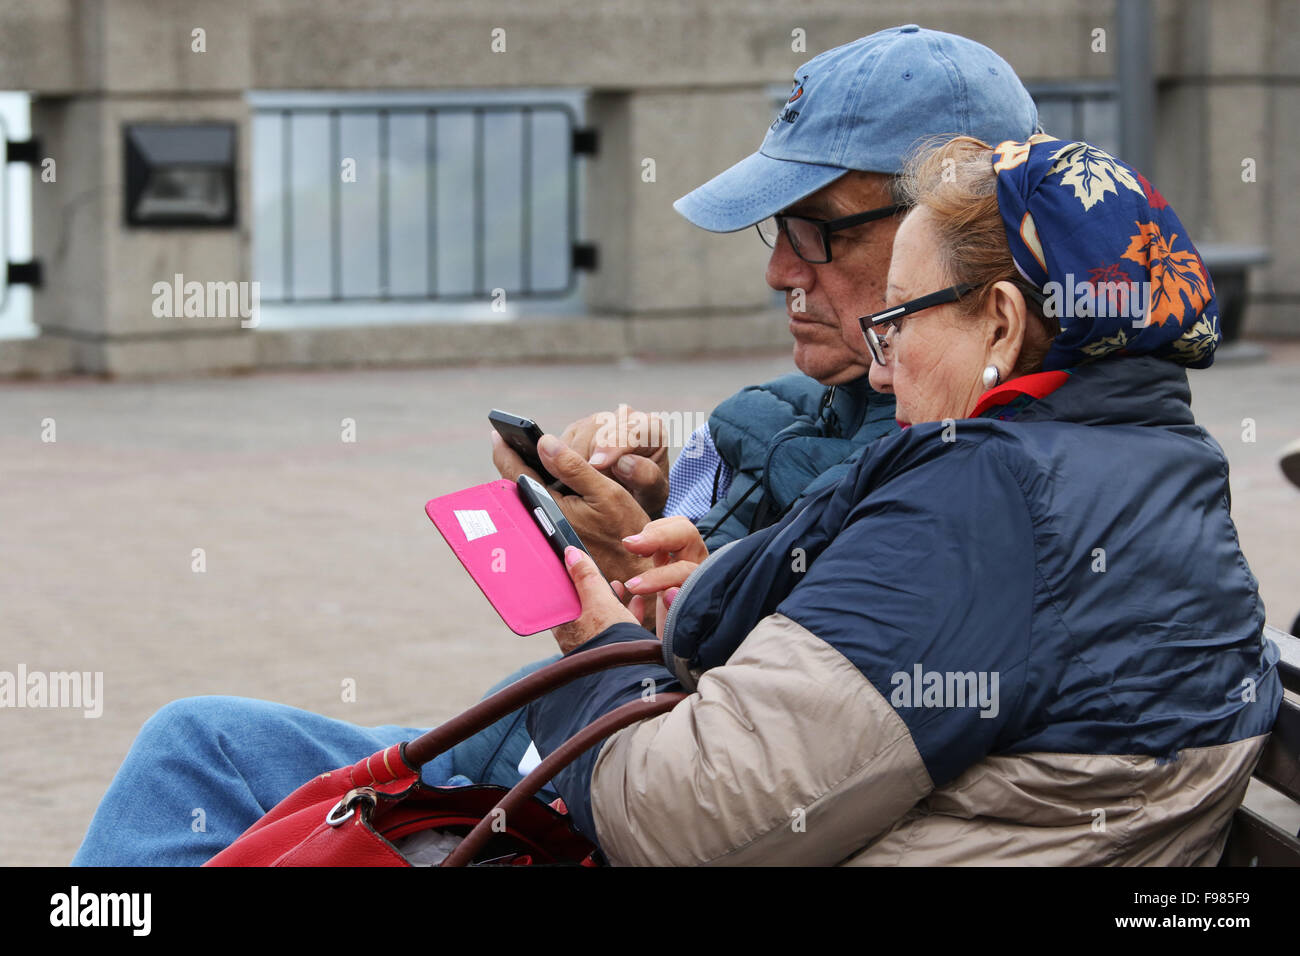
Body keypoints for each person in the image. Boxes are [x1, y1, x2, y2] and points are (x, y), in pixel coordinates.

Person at [72, 25, 1039, 866]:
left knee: (198, 756)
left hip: (585, 794)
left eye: (816, 229)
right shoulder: (809, 410)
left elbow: (769, 764)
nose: (782, 266)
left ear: (957, 243)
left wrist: (652, 598)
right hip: (550, 750)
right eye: (776, 229)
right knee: (201, 747)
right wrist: (650, 509)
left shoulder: (964, 481)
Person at [525, 133, 1283, 865]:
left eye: (895, 323)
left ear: (1000, 325)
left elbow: (681, 820)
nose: (882, 373)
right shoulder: (1165, 465)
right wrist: (732, 601)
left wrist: (593, 652)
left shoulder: (983, 502)